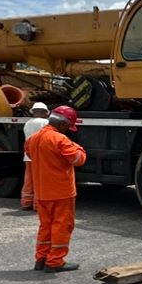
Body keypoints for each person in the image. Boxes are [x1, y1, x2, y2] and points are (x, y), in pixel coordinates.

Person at [26, 105, 87, 273]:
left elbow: (30, 155)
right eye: (68, 127)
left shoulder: (33, 139)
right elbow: (78, 159)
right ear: (62, 125)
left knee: (45, 226)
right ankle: (55, 261)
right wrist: (78, 147)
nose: (68, 130)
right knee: (62, 225)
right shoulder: (60, 140)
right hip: (61, 192)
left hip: (42, 192)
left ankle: (41, 258)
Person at [20, 101, 51, 211]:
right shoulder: (46, 123)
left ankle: (26, 202)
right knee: (40, 181)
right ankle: (37, 205)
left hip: (28, 156)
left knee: (29, 180)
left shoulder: (27, 123)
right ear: (45, 112)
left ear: (33, 112)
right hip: (41, 157)